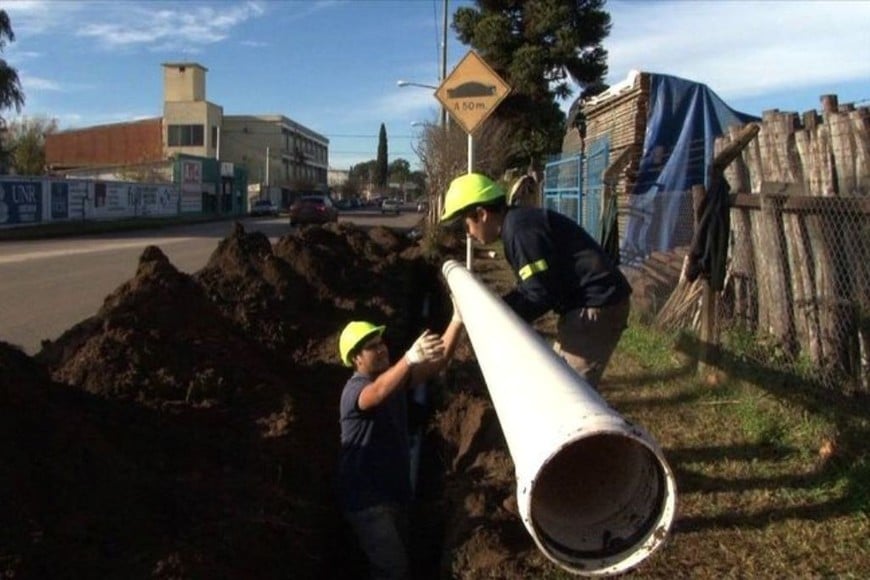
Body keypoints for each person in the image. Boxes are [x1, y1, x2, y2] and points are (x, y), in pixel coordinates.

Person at [440, 172, 631, 388]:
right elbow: (533, 288)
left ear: (482, 214)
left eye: (465, 227)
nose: (468, 235)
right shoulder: (517, 225)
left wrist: (492, 319)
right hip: (588, 303)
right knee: (558, 378)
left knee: (568, 391)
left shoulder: (520, 231)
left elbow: (539, 295)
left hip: (597, 305)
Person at [337, 308, 463, 580]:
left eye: (381, 343)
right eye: (372, 347)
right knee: (392, 569)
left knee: (400, 563)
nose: (381, 349)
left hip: (396, 494)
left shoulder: (393, 382)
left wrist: (456, 320)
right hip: (368, 501)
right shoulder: (355, 390)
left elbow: (438, 361)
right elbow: (377, 393)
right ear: (356, 359)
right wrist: (408, 359)